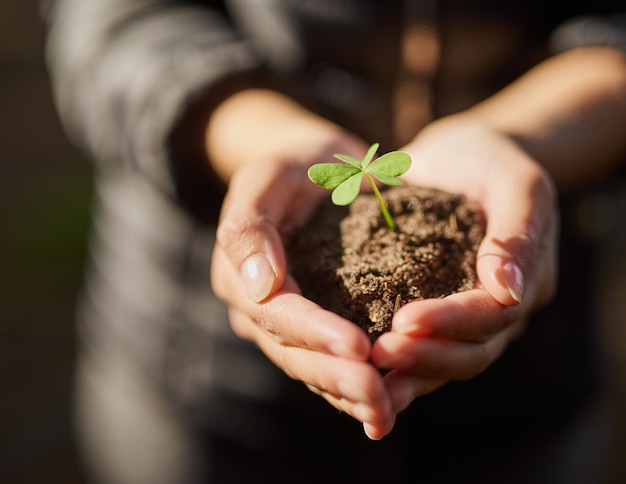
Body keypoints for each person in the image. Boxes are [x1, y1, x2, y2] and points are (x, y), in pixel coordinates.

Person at [42, 0, 626, 483]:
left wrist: (524, 136)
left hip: (525, 400)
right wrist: (249, 133)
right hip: (201, 380)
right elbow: (109, 21)